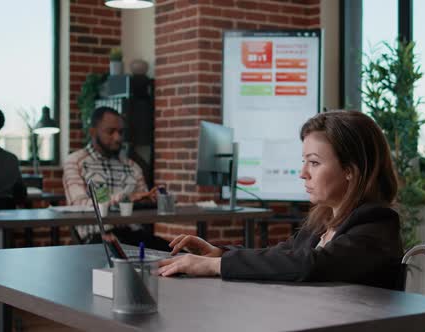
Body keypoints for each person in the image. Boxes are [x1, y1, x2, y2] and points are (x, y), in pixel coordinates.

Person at [157, 110, 403, 289]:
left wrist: (213, 267)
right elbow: (282, 254)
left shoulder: (376, 224)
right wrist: (219, 254)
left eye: (314, 163)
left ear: (351, 170)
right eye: (304, 161)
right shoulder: (325, 221)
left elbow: (310, 264)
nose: (303, 173)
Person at [63, 106, 168, 250]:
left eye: (121, 132)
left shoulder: (133, 167)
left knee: (178, 254)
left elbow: (143, 207)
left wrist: (151, 200)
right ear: (92, 132)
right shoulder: (75, 162)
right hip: (97, 238)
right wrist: (125, 199)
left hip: (133, 236)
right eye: (110, 131)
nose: (118, 137)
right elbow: (79, 205)